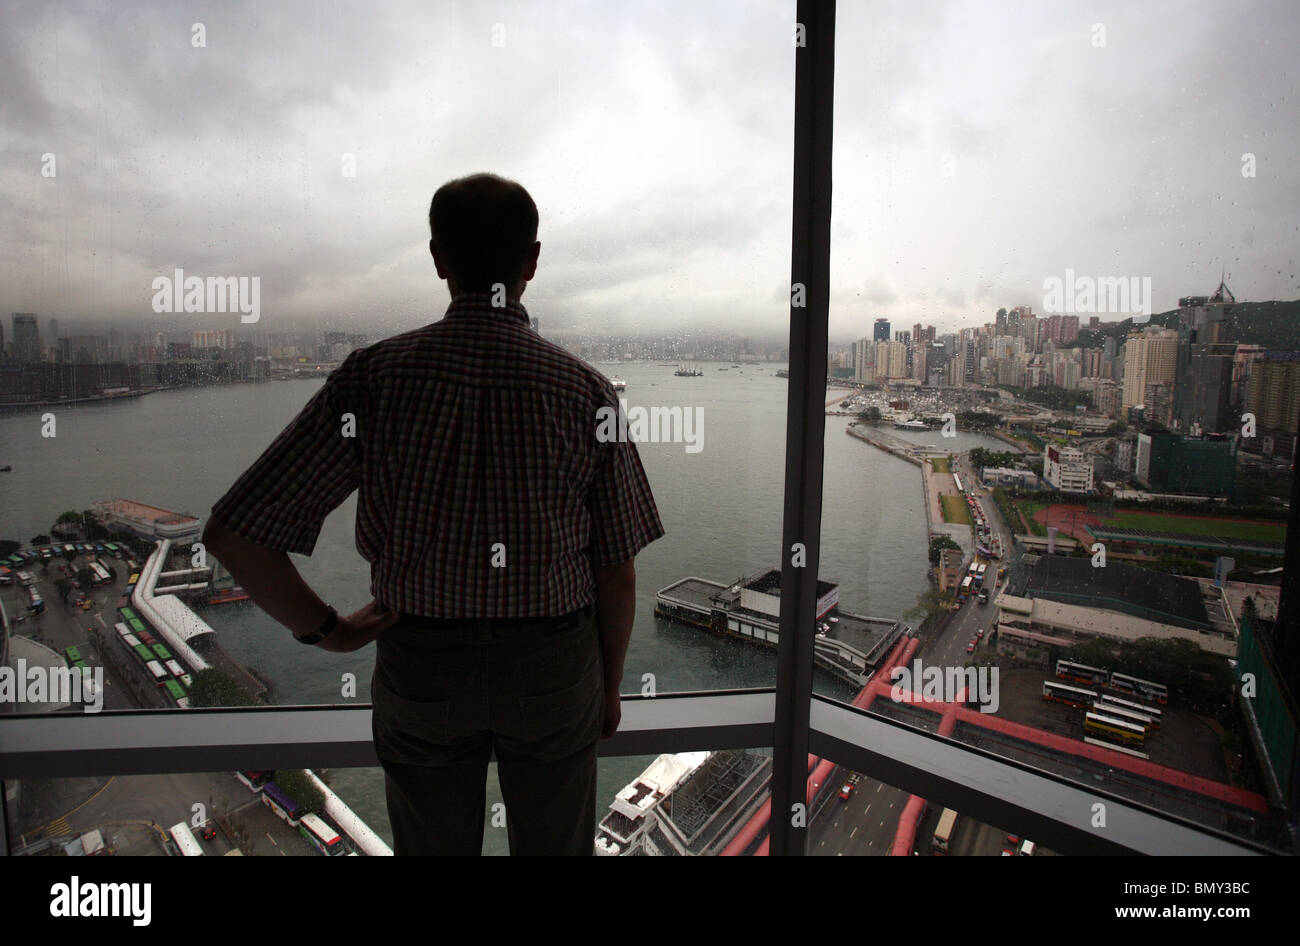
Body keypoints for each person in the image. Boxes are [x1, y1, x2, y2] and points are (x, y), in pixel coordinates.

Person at [202, 172, 664, 855]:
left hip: (421, 665)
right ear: (532, 263)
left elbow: (236, 535)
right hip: (553, 669)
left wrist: (331, 632)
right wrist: (609, 685)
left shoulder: (374, 378)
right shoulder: (584, 391)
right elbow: (616, 572)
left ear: (438, 259)